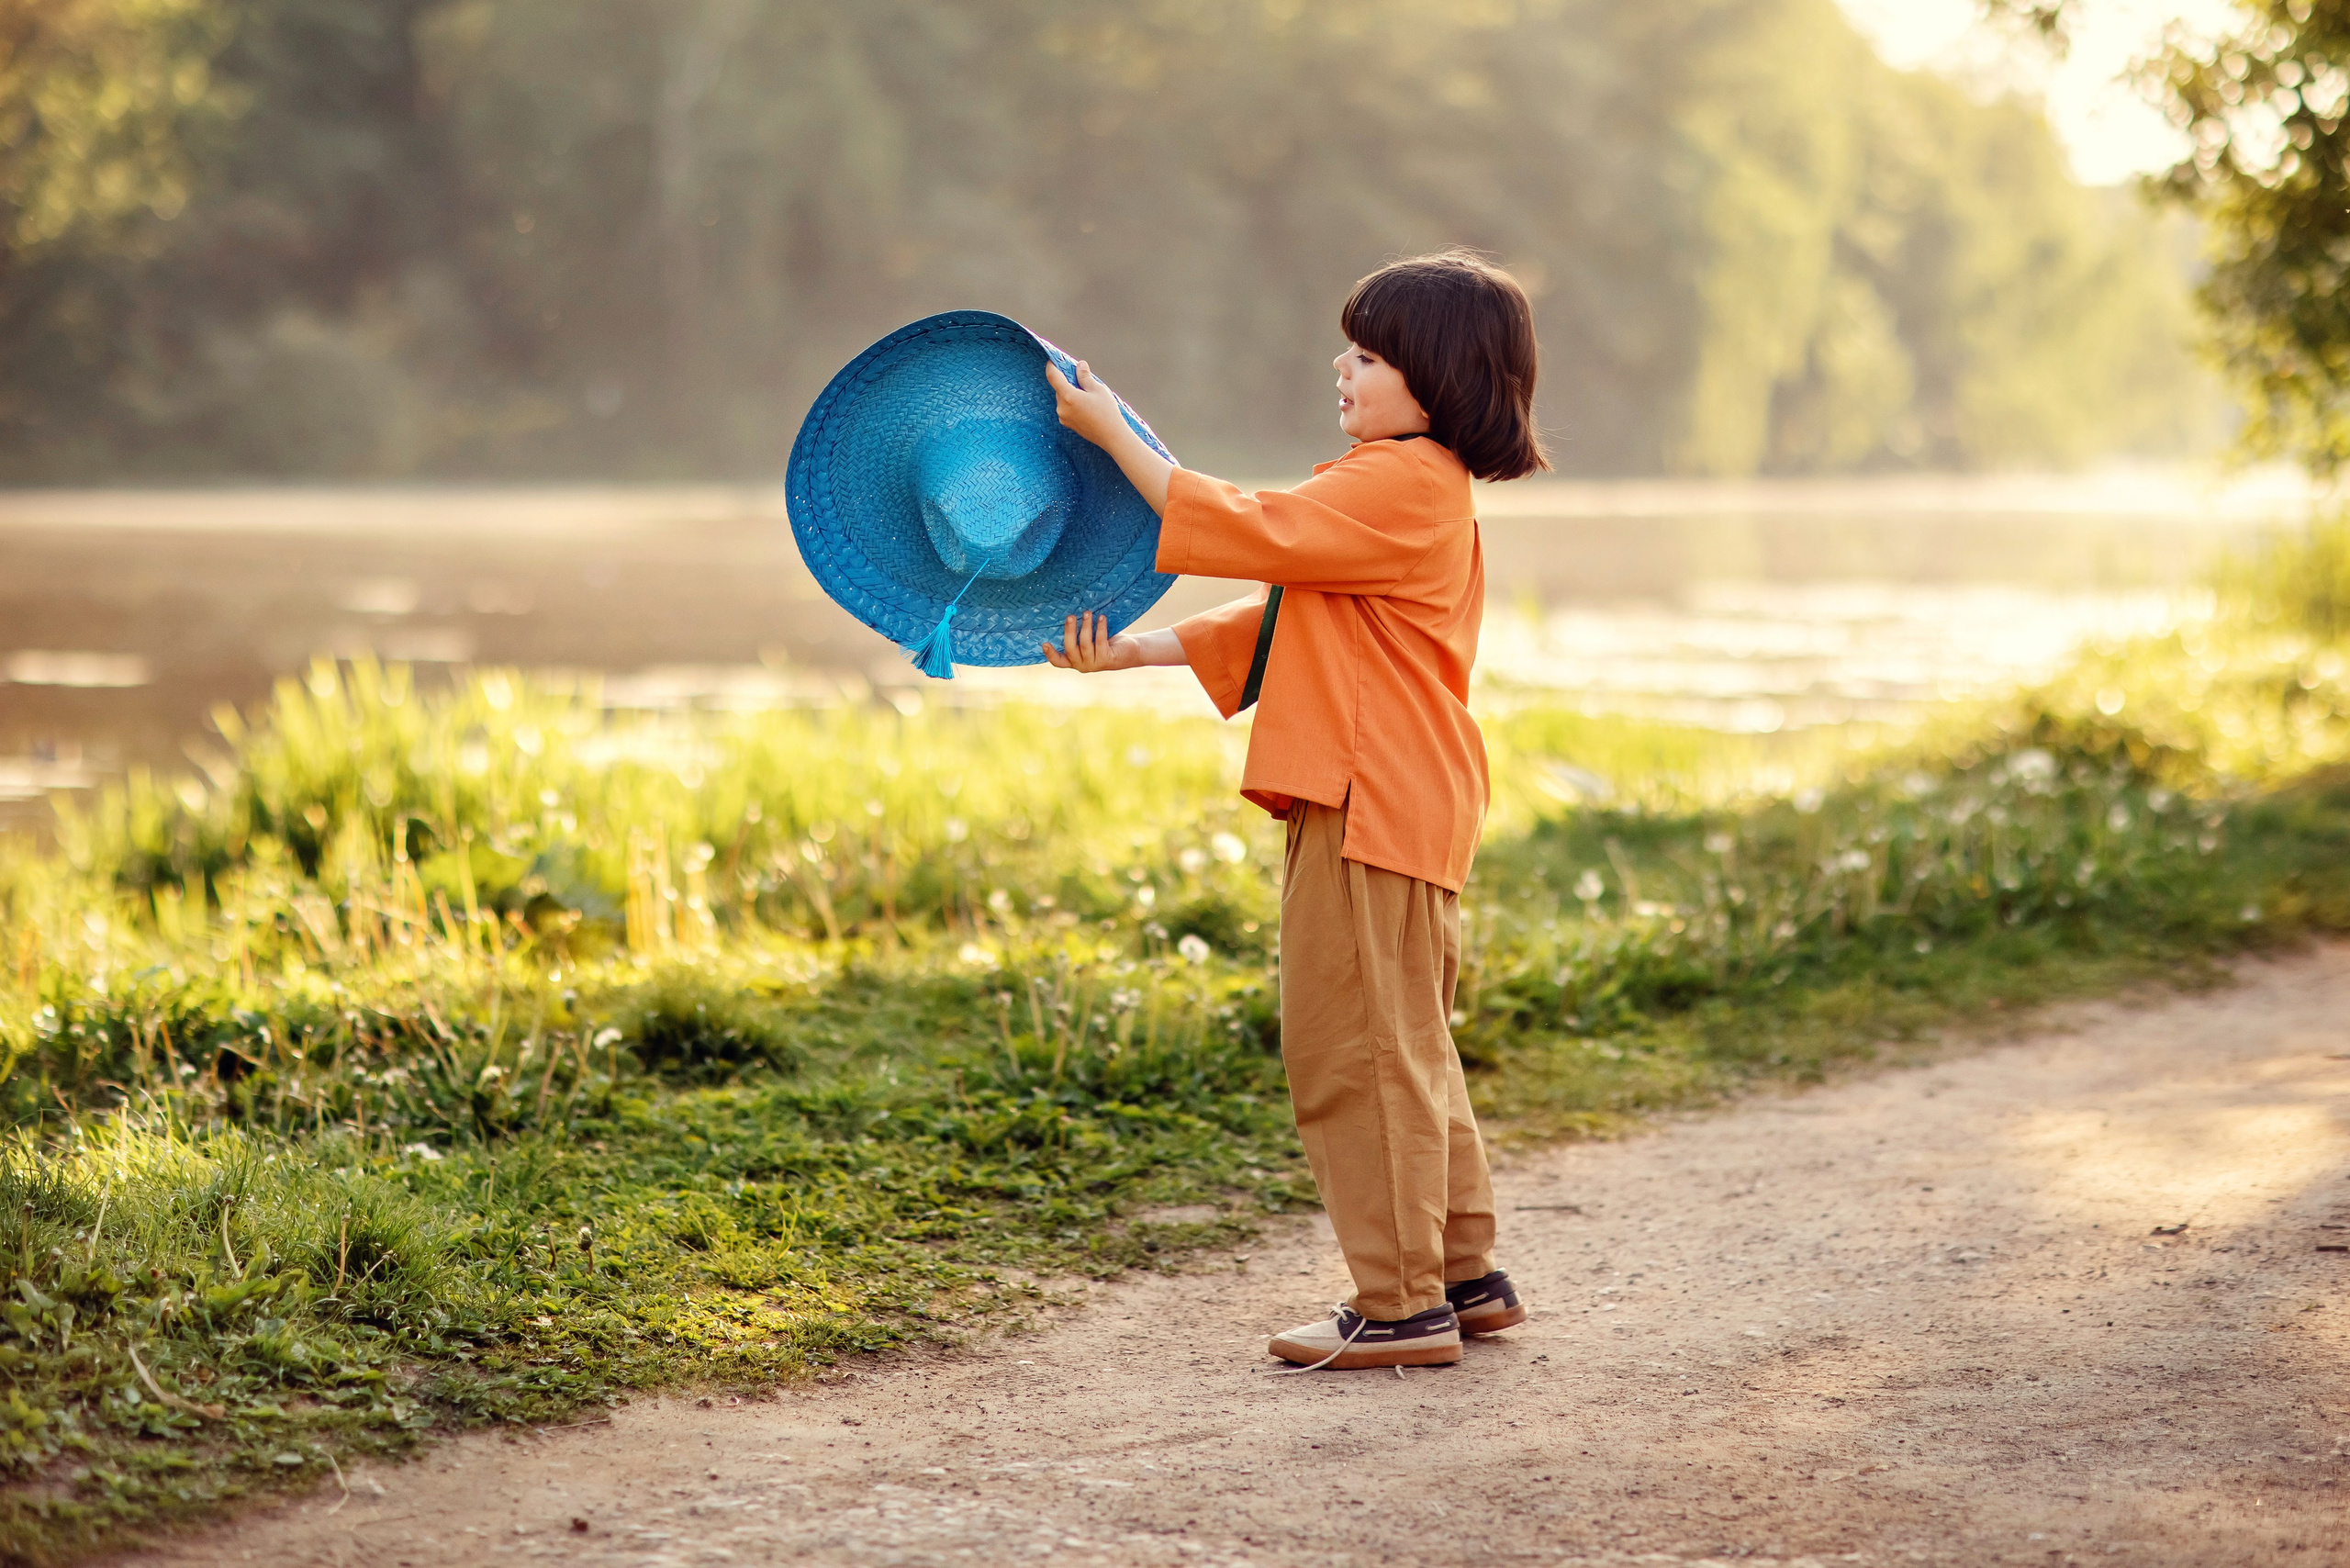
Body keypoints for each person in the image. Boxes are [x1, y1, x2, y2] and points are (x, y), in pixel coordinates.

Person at [1042, 250, 1547, 1370]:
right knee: (1407, 1044)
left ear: (1434, 375)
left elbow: (1245, 523)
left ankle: (1398, 1303)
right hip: (1395, 790)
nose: (1343, 365)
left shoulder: (1399, 479)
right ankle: (1461, 1275)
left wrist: (1113, 430)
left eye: (1366, 354)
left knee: (1354, 1049)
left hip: (1367, 794)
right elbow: (1292, 603)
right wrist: (1137, 650)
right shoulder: (1409, 488)